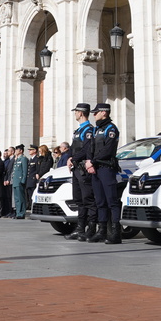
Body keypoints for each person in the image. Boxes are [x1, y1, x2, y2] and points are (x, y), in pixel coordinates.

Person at [87, 103, 122, 244]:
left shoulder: (111, 129)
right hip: (95, 168)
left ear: (104, 112)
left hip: (106, 168)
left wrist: (93, 161)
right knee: (100, 201)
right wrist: (90, 161)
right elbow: (91, 147)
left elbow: (108, 150)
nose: (94, 115)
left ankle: (115, 232)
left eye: (96, 113)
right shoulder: (96, 129)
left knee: (112, 201)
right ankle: (101, 231)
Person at [67, 103, 96, 241]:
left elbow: (86, 149)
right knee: (79, 199)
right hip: (76, 168)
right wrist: (69, 159)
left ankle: (90, 229)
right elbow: (73, 148)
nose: (75, 114)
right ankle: (80, 228)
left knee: (88, 199)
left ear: (81, 113)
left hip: (83, 169)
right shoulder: (78, 131)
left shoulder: (88, 130)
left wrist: (73, 159)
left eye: (76, 112)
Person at [11, 145, 29, 219]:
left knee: (21, 198)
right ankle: (18, 212)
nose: (16, 151)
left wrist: (23, 180)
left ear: (21, 151)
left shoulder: (23, 159)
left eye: (17, 150)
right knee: (17, 198)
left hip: (19, 181)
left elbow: (24, 171)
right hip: (15, 181)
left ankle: (21, 213)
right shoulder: (17, 159)